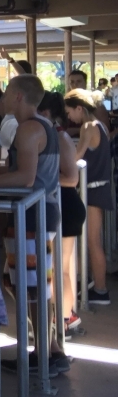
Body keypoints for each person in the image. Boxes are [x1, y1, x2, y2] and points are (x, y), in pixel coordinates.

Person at [0, 74, 63, 378]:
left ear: (19, 96)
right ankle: (48, 349)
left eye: (7, 91)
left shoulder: (29, 128)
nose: (3, 97)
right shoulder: (41, 125)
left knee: (32, 287)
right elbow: (19, 169)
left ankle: (40, 355)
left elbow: (25, 178)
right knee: (32, 285)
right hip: (39, 212)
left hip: (33, 214)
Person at [40, 92, 86, 336]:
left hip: (66, 205)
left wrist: (40, 179)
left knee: (61, 269)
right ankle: (62, 317)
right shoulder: (53, 134)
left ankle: (65, 318)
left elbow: (71, 178)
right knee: (56, 268)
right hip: (62, 204)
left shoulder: (61, 136)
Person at [65, 88, 113, 306]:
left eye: (69, 112)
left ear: (79, 108)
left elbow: (77, 156)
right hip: (99, 187)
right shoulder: (101, 126)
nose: (69, 117)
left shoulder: (88, 127)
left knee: (92, 241)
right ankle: (95, 285)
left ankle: (100, 289)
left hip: (92, 189)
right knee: (93, 240)